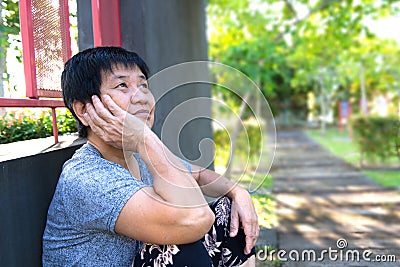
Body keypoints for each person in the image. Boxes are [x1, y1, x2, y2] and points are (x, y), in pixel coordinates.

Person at [42, 46, 259, 266]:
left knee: (229, 212)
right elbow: (195, 219)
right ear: (83, 110)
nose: (142, 98)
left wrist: (237, 192)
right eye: (122, 85)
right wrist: (144, 138)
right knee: (180, 239)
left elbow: (199, 174)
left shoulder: (139, 156)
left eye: (144, 85)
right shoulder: (87, 177)